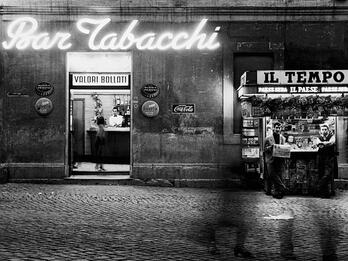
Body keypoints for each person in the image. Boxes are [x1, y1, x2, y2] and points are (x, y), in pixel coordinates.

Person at [264, 121, 288, 199]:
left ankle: (278, 192)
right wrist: (271, 147)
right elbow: (264, 149)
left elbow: (283, 148)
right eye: (276, 128)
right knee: (272, 174)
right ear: (273, 128)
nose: (278, 129)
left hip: (279, 160)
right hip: (271, 159)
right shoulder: (268, 138)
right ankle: (283, 188)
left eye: (279, 128)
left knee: (279, 175)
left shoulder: (283, 138)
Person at [317, 124, 336, 198]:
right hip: (321, 157)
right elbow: (318, 144)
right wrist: (327, 144)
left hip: (329, 157)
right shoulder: (319, 137)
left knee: (327, 174)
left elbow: (332, 142)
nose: (324, 131)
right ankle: (324, 193)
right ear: (321, 131)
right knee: (321, 173)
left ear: (328, 130)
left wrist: (323, 144)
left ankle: (319, 188)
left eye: (325, 129)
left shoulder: (332, 136)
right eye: (323, 129)